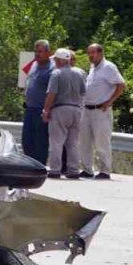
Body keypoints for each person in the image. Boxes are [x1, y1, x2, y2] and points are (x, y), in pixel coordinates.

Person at [76, 43, 126, 179]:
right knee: (84, 141)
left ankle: (105, 170)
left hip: (101, 110)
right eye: (89, 53)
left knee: (101, 142)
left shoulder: (108, 67)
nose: (90, 56)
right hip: (87, 109)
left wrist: (110, 101)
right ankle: (87, 169)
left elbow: (121, 85)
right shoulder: (93, 68)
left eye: (93, 53)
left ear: (101, 53)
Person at [42, 48, 86, 179]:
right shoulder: (79, 73)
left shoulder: (56, 74)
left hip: (60, 109)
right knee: (73, 143)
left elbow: (52, 94)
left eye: (56, 59)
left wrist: (46, 110)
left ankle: (55, 170)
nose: (54, 62)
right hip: (76, 109)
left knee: (56, 141)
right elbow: (83, 92)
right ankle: (73, 170)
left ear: (60, 60)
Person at [21, 40, 54, 165]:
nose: (37, 54)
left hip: (41, 110)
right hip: (29, 109)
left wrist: (47, 110)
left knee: (40, 141)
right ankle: (29, 165)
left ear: (48, 53)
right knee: (27, 140)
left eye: (40, 51)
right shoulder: (34, 64)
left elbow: (52, 93)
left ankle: (39, 166)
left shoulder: (52, 69)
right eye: (35, 51)